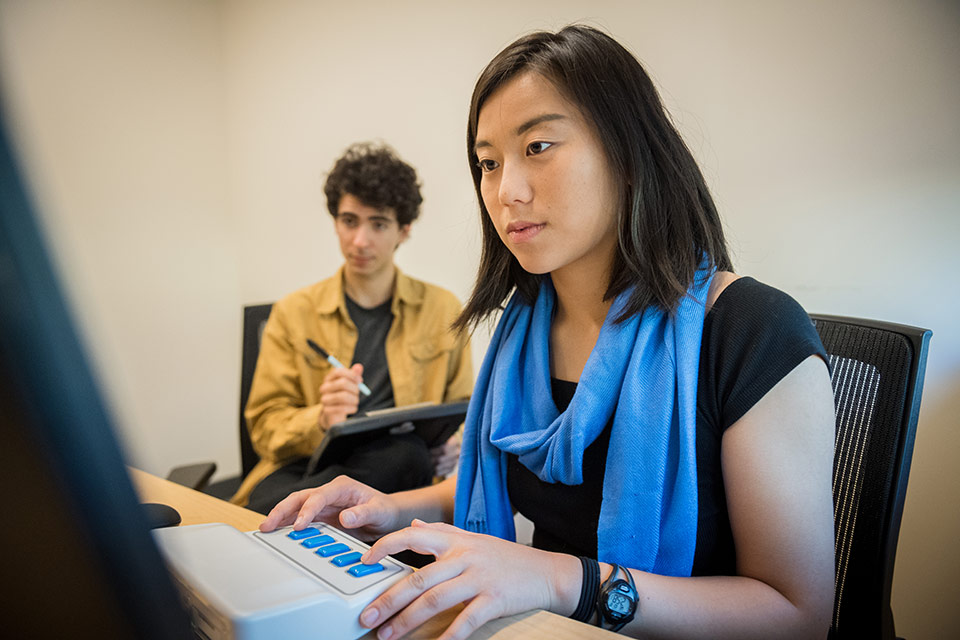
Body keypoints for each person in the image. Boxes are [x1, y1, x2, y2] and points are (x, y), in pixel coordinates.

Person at [260, 26, 836, 639]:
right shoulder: (525, 327)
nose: (506, 191)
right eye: (488, 163)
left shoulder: (755, 331)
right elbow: (494, 480)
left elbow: (797, 615)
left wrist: (562, 580)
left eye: (537, 146)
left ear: (627, 151)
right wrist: (386, 509)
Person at [233, 142, 473, 515]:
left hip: (400, 467)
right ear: (335, 221)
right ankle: (308, 509)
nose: (360, 241)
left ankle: (286, 515)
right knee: (397, 461)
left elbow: (464, 410)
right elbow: (264, 428)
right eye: (349, 221)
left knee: (404, 455)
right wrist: (321, 419)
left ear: (404, 230)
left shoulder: (442, 309)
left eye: (378, 224)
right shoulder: (294, 312)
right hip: (306, 465)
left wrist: (453, 445)